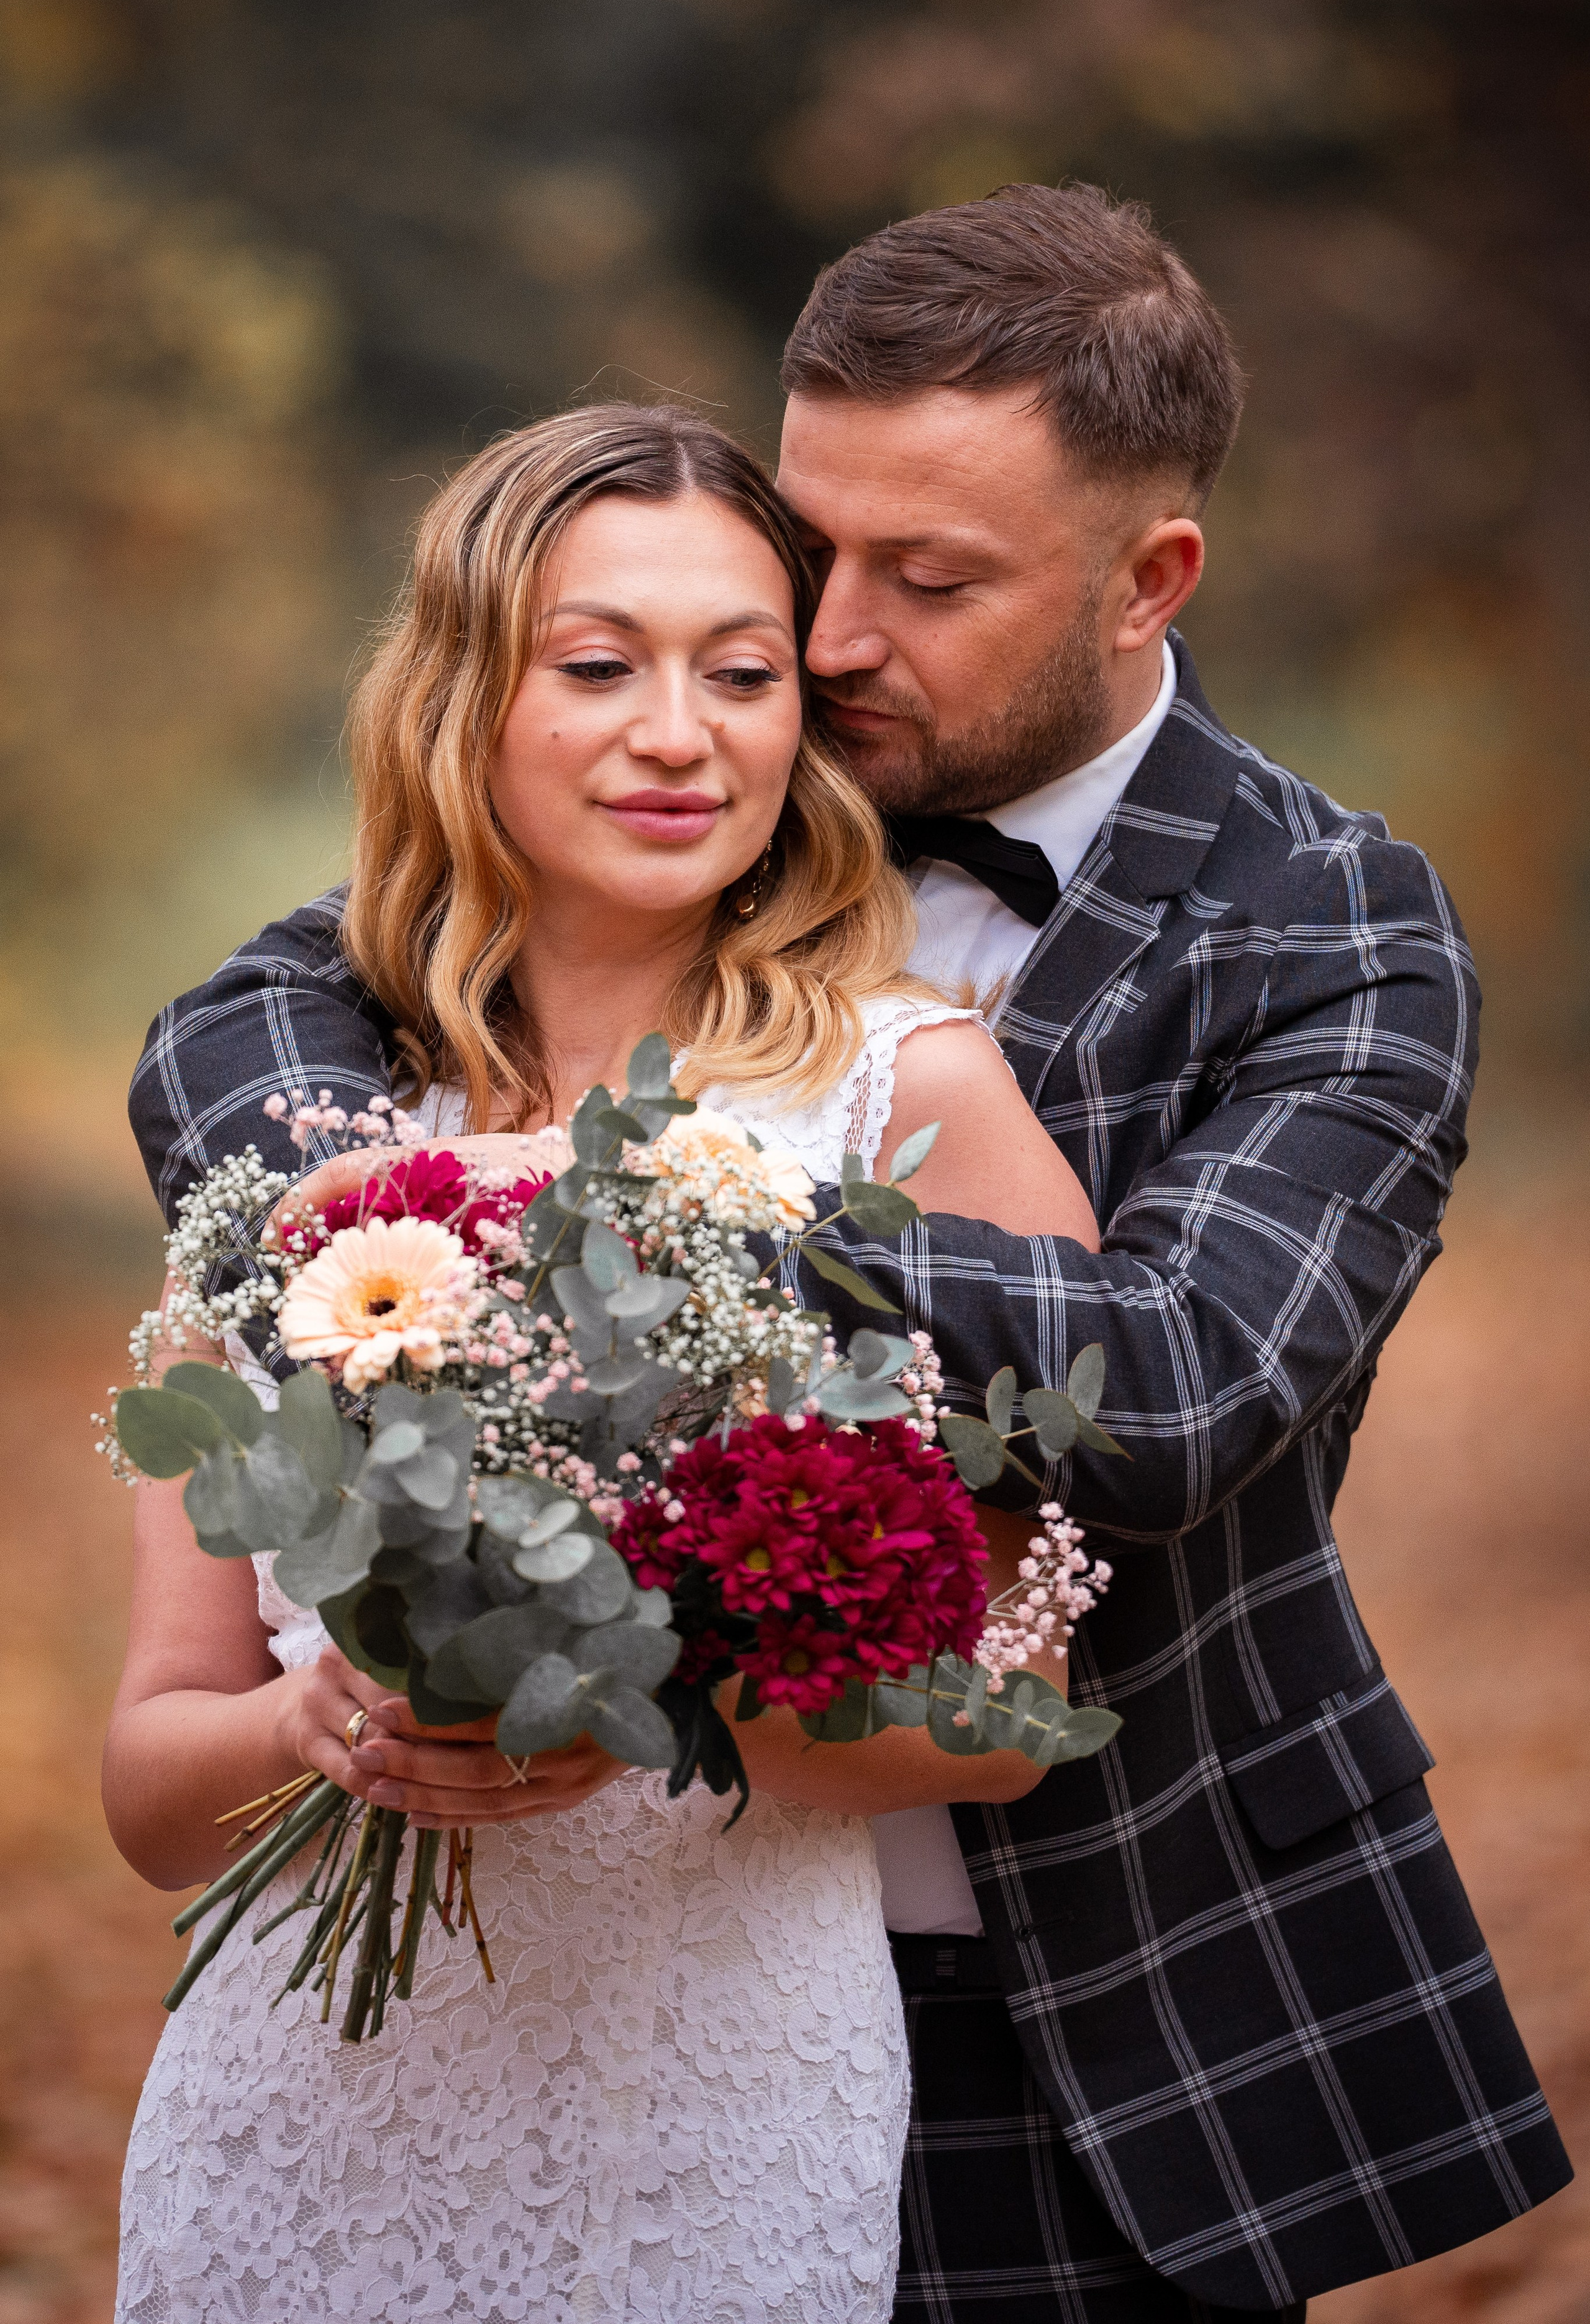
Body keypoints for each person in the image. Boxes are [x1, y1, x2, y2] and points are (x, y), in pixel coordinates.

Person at [125, 186, 1573, 2318]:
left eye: (932, 579)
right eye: (816, 555)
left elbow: (1169, 1385)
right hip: (504, 1985)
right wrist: (360, 1251)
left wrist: (627, 1238)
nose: (822, 642)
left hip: (1094, 1967)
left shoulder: (1327, 929)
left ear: (1147, 579)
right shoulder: (714, 776)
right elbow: (252, 1026)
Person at [106, 402, 1106, 2324]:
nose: (682, 734)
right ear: (463, 700)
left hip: (703, 2117)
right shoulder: (294, 1141)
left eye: (742, 673)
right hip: (294, 2119)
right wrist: (314, 1732)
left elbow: (1011, 1716)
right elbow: (154, 1779)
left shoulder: (918, 1106)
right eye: (597, 667)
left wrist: (652, 1681)